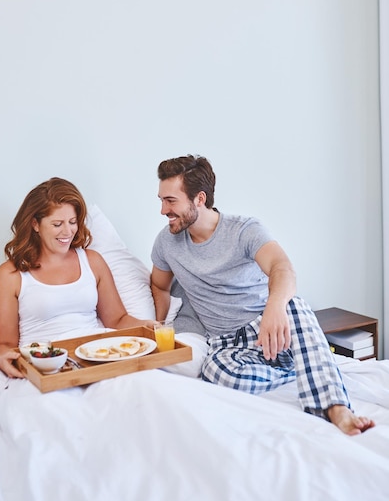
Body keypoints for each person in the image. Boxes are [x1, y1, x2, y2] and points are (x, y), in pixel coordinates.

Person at [150, 154, 375, 436]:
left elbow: (282, 268)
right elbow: (158, 285)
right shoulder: (167, 242)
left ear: (199, 199)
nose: (162, 210)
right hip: (228, 344)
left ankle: (335, 408)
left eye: (170, 201)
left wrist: (274, 307)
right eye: (161, 200)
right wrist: (158, 323)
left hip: (268, 326)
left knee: (296, 306)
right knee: (214, 374)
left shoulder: (244, 230)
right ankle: (296, 368)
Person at [0, 177, 154, 379]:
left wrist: (146, 326)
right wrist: (2, 355)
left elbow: (117, 320)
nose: (67, 232)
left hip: (97, 360)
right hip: (47, 368)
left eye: (72, 222)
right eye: (57, 224)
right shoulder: (10, 274)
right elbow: (5, 344)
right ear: (35, 224)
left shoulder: (93, 261)